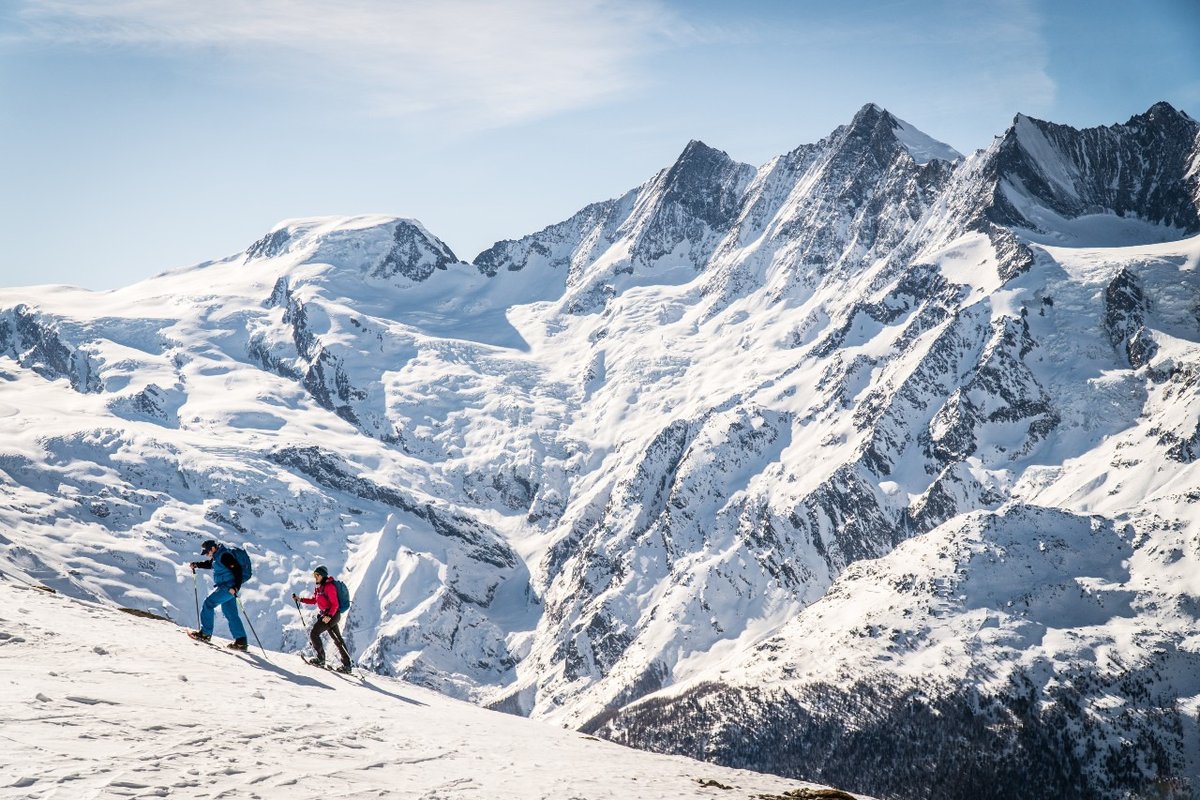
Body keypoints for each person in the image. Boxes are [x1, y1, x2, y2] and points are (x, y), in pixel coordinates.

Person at [187, 539, 248, 650]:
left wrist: (236, 587)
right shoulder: (217, 557)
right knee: (230, 613)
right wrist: (197, 565)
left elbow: (237, 570)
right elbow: (210, 564)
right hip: (228, 588)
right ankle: (241, 641)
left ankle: (205, 634)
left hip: (228, 587)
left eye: (207, 552)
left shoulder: (224, 556)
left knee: (209, 603)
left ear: (213, 548)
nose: (206, 554)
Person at [293, 565, 352, 673]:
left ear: (323, 576)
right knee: (337, 639)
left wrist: (329, 616)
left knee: (314, 633)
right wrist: (300, 599)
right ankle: (347, 665)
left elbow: (335, 604)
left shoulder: (329, 587)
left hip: (332, 615)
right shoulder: (318, 588)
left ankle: (321, 659)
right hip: (327, 616)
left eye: (317, 575)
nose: (315, 577)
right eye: (315, 575)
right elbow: (314, 600)